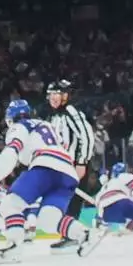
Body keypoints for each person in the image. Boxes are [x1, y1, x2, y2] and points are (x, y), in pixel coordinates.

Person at [0, 99, 94, 263]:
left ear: (10, 118)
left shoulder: (19, 127)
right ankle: (84, 234)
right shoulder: (47, 125)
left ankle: (13, 247)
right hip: (68, 171)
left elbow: (11, 155)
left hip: (44, 166)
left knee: (10, 204)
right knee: (48, 219)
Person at [44, 80, 97, 253]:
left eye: (56, 94)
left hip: (75, 164)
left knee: (72, 199)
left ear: (65, 95)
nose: (52, 98)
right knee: (65, 199)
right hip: (63, 166)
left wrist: (82, 162)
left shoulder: (70, 111)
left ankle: (73, 235)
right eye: (50, 94)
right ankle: (70, 234)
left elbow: (87, 136)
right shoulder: (55, 116)